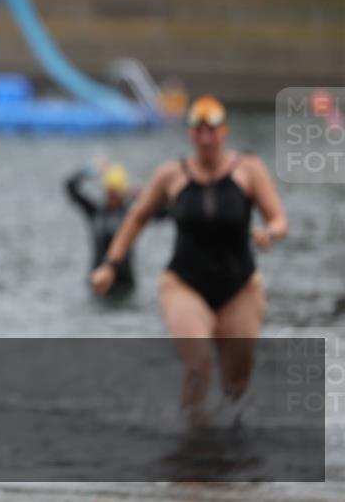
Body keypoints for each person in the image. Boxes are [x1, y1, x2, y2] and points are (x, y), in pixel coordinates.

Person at [90, 95, 287, 426]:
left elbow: (279, 219)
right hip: (184, 284)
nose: (206, 139)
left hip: (240, 286)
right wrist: (110, 265)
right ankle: (192, 440)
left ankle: (233, 437)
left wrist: (270, 233)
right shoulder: (172, 174)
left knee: (237, 381)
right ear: (191, 134)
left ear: (224, 132)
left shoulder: (249, 169)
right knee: (198, 363)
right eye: (199, 131)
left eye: (212, 131)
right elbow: (137, 217)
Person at [64, 160, 158, 299]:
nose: (112, 196)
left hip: (125, 285)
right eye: (109, 191)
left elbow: (163, 214)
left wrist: (147, 196)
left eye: (116, 192)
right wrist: (91, 171)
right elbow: (70, 187)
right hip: (98, 281)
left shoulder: (132, 214)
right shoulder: (95, 212)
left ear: (123, 192)